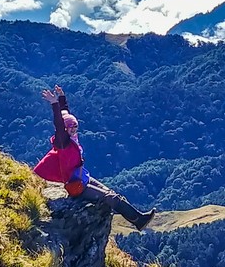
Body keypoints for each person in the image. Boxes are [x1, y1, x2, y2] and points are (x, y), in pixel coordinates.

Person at [33, 84, 155, 231]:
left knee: (113, 194)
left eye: (75, 126)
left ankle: (138, 219)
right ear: (65, 129)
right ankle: (139, 220)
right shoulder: (63, 142)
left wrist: (62, 97)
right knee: (110, 198)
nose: (73, 129)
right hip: (76, 185)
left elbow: (65, 114)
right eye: (70, 127)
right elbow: (59, 123)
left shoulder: (73, 138)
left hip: (82, 176)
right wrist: (54, 103)